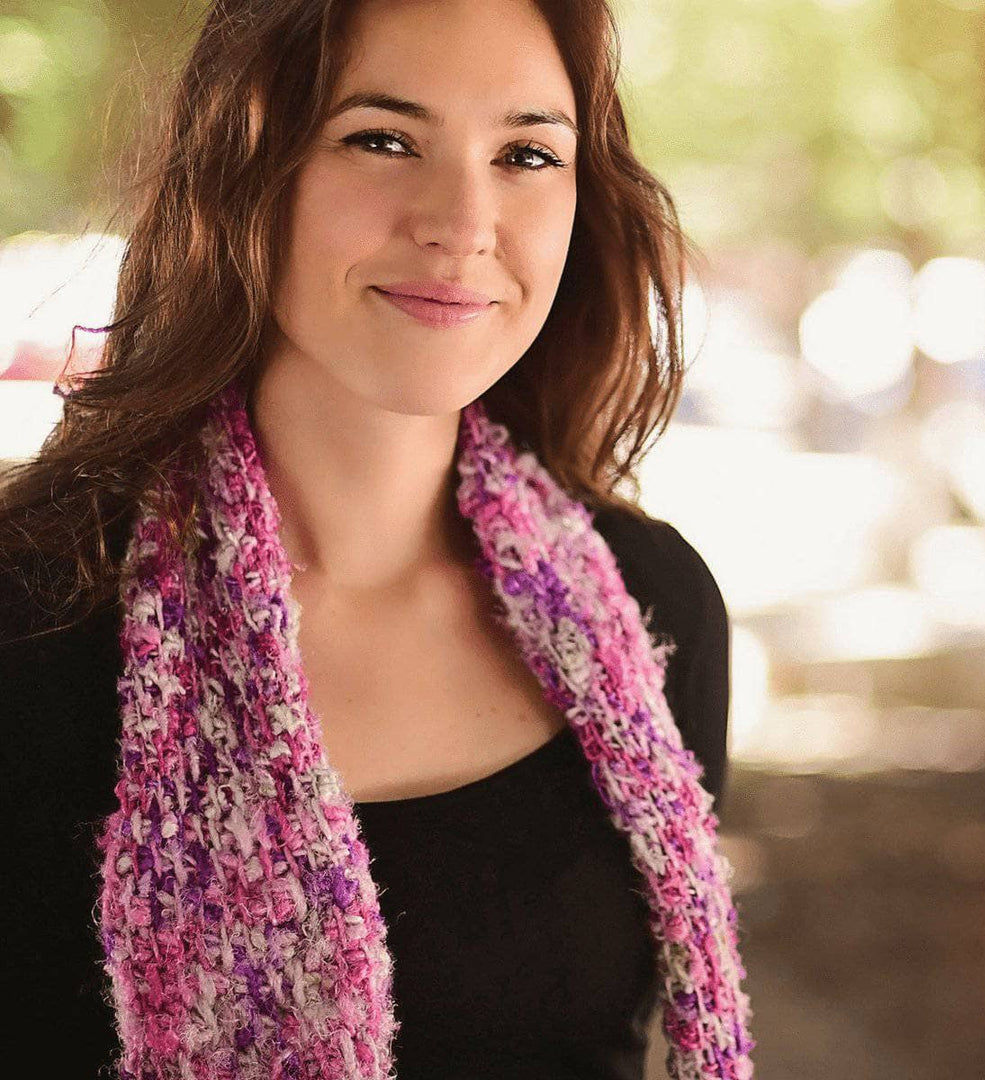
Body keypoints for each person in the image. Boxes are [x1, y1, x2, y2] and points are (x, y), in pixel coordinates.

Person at [0, 1, 755, 1078]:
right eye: (384, 139)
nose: (462, 220)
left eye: (528, 154)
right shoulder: (34, 613)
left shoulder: (655, 605)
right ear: (251, 163)